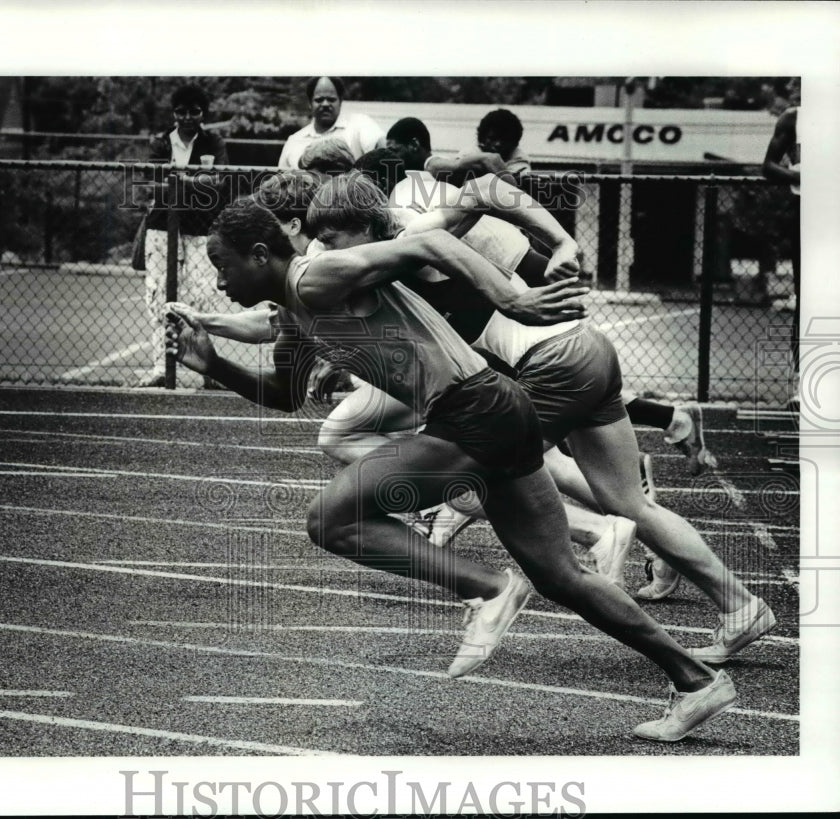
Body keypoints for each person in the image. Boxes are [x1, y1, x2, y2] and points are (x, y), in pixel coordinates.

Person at [168, 194, 738, 742]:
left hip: (473, 411)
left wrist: (512, 300)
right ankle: (696, 681)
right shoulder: (293, 313)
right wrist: (212, 363)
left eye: (222, 266)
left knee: (330, 520)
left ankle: (489, 588)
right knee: (563, 577)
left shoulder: (314, 278)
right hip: (496, 411)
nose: (218, 283)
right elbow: (284, 393)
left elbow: (433, 243)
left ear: (259, 255)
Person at [309, 170, 776, 667]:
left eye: (331, 240)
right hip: (586, 349)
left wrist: (562, 242)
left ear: (363, 225)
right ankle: (741, 606)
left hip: (553, 364)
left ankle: (585, 557)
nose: (325, 252)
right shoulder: (388, 252)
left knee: (476, 483)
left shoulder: (415, 237)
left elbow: (485, 185)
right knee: (630, 503)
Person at [381, 121, 719, 478]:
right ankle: (668, 424)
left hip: (516, 268)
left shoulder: (412, 190)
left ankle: (629, 457)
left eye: (394, 146)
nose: (391, 152)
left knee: (553, 377)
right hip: (503, 271)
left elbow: (492, 181)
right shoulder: (418, 186)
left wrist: (555, 240)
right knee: (548, 379)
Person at [134, 83, 228, 387]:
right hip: (163, 225)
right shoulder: (161, 143)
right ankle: (161, 368)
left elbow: (220, 181)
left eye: (194, 111)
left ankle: (208, 369)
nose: (187, 117)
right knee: (159, 294)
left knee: (204, 295)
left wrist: (181, 181)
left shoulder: (213, 141)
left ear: (203, 113)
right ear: (173, 113)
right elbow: (154, 182)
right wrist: (195, 181)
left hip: (200, 226)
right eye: (181, 111)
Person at [761, 79, 800, 410]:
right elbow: (768, 165)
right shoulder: (794, 118)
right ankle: (805, 384)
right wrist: (799, 176)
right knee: (809, 301)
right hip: (809, 212)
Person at [278, 77, 385, 170]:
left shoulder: (359, 124)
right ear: (310, 103)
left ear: (340, 101)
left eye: (331, 99)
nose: (325, 104)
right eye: (319, 100)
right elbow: (280, 179)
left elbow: (382, 147)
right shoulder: (294, 141)